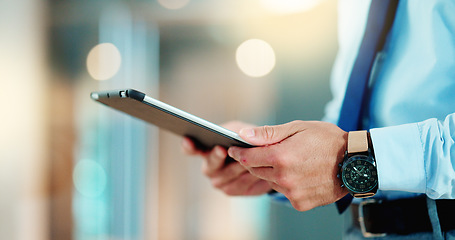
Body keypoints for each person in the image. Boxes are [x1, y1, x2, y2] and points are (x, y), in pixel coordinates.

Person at [182, 0, 455, 239]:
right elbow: (348, 123)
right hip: (363, 227)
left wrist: (353, 158)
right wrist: (274, 159)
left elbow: (348, 148)